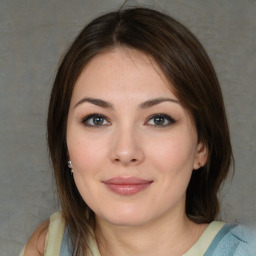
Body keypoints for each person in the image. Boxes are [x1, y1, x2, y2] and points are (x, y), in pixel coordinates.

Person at [19, 7, 255, 256]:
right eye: (97, 120)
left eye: (159, 120)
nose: (125, 151)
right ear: (65, 143)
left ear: (201, 146)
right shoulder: (48, 246)